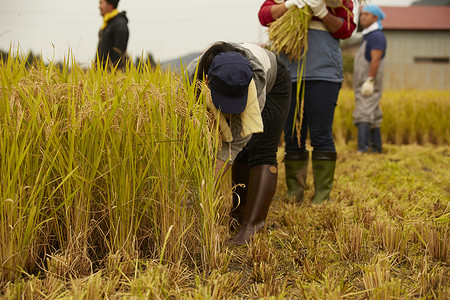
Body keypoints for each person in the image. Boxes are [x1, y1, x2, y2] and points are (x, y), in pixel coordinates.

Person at [186, 41, 291, 246]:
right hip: (223, 82)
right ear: (208, 81)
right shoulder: (193, 75)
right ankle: (237, 216)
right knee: (242, 153)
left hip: (275, 81)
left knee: (261, 150)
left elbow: (231, 146)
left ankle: (252, 225)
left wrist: (202, 189)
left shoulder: (256, 81)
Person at [259, 0, 356, 204]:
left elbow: (346, 29)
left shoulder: (337, 2)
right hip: (288, 73)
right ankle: (295, 191)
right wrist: (289, 5)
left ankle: (322, 194)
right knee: (293, 133)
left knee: (321, 133)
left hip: (324, 73)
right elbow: (264, 16)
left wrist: (320, 10)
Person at [353, 5, 386, 153]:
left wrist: (370, 80)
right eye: (362, 14)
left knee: (363, 113)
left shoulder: (376, 36)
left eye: (367, 14)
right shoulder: (367, 35)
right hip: (364, 81)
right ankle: (377, 148)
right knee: (373, 114)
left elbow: (376, 59)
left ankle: (363, 149)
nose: (363, 17)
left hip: (368, 82)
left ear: (376, 18)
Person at [97, 0, 129, 69]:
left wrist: (112, 72)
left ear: (110, 6)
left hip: (113, 76)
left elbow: (119, 54)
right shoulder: (107, 25)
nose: (99, 7)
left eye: (101, 3)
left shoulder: (120, 25)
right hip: (102, 74)